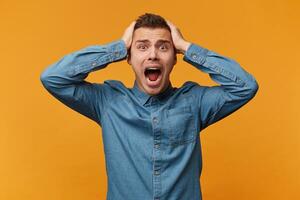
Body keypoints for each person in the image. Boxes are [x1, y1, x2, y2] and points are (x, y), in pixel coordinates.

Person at [40, 13, 258, 200]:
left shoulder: (194, 102)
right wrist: (116, 48)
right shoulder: (107, 102)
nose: (153, 54)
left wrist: (185, 46)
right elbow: (52, 78)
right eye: (142, 47)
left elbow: (245, 86)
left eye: (164, 47)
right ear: (129, 57)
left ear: (174, 58)